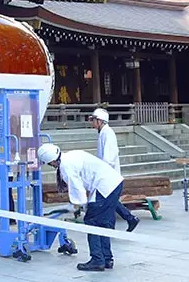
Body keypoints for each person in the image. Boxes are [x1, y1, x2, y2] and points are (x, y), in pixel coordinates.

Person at [37, 143, 124, 272]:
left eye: (49, 164)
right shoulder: (71, 155)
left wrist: (77, 205)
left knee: (91, 222)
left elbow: (76, 187)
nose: (52, 166)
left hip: (104, 187)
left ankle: (97, 260)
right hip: (113, 183)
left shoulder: (66, 166)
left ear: (52, 161)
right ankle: (107, 258)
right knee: (103, 224)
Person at [91, 108, 139, 232]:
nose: (92, 123)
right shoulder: (103, 132)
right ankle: (130, 218)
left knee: (109, 203)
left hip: (109, 175)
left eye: (94, 120)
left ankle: (113, 227)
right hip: (107, 175)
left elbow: (108, 157)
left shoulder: (107, 133)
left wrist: (102, 173)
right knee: (110, 201)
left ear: (100, 121)